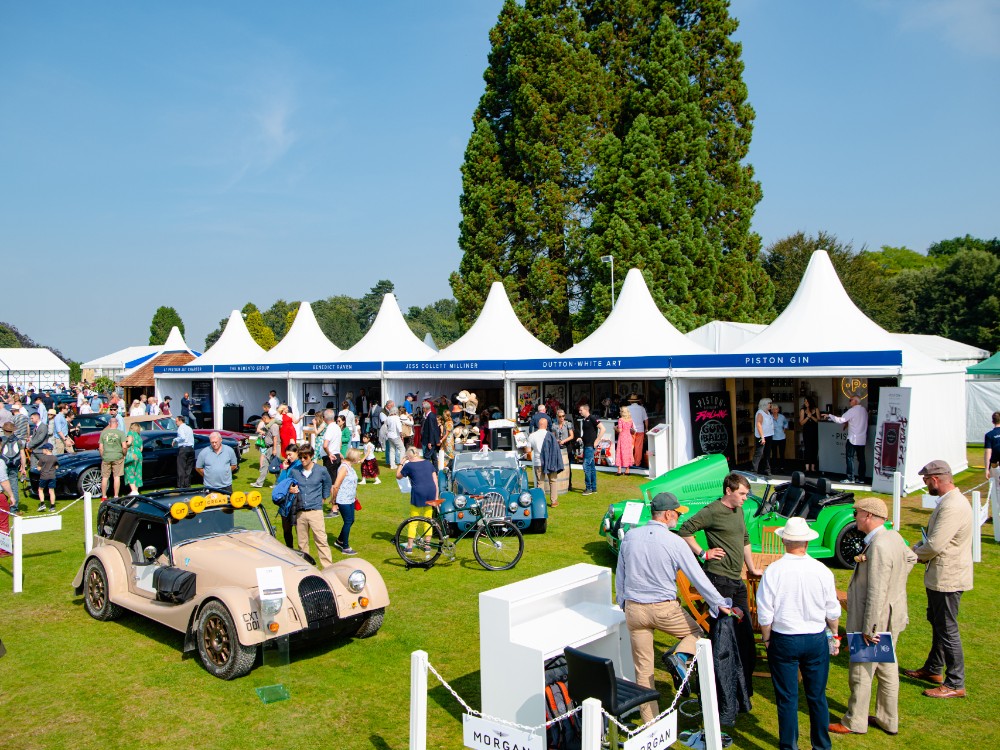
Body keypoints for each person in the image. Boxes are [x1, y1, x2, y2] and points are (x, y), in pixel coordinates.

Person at [616, 492, 734, 724]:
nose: (678, 518)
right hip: (664, 609)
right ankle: (679, 656)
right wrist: (719, 603)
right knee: (697, 634)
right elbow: (697, 576)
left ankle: (650, 722)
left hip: (634, 609)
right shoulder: (675, 541)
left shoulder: (630, 536)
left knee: (643, 669)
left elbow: (621, 573)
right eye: (677, 514)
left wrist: (623, 602)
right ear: (668, 514)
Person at [829, 497, 917, 736]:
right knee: (887, 668)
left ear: (868, 515)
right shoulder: (893, 536)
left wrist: (870, 629)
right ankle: (888, 720)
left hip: (875, 621)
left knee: (861, 670)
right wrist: (896, 582)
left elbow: (877, 591)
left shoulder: (878, 546)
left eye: (857, 513)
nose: (854, 516)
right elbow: (911, 558)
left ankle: (854, 722)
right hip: (893, 615)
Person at [756, 517, 842, 750]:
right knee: (817, 697)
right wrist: (834, 635)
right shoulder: (821, 570)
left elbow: (765, 613)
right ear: (806, 541)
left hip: (785, 638)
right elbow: (832, 609)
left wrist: (766, 639)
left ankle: (789, 746)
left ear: (784, 540)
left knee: (787, 698)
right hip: (814, 638)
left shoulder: (774, 570)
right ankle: (822, 746)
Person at [678, 472, 762, 695]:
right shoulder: (713, 511)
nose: (745, 498)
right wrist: (703, 553)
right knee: (721, 635)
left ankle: (743, 687)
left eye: (746, 494)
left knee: (744, 634)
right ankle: (716, 687)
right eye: (742, 493)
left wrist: (751, 568)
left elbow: (744, 539)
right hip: (718, 580)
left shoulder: (739, 510)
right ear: (728, 491)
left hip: (737, 580)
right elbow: (685, 530)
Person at [902, 460, 973, 699]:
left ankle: (955, 682)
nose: (925, 485)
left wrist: (910, 556)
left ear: (935, 480)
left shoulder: (952, 505)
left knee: (947, 628)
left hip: (948, 577)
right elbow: (931, 539)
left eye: (925, 481)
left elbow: (935, 544)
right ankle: (934, 669)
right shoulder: (949, 502)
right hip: (942, 574)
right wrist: (915, 549)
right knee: (938, 622)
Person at [288, 444, 333, 567]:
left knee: (321, 540)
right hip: (300, 512)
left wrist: (323, 499)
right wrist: (290, 489)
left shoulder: (321, 470)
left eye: (305, 457)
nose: (302, 460)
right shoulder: (295, 471)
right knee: (302, 543)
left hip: (315, 511)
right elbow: (287, 485)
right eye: (300, 457)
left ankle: (328, 567)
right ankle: (306, 568)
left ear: (311, 456)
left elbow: (327, 484)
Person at [398, 446, 439, 553]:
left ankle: (410, 546)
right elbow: (435, 480)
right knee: (428, 519)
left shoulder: (409, 465)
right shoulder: (428, 463)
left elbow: (398, 476)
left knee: (414, 520)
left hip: (418, 493)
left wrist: (401, 463)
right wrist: (436, 496)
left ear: (408, 456)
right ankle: (427, 546)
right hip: (431, 491)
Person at [825, 396, 868, 484]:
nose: (849, 402)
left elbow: (841, 420)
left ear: (855, 401)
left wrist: (829, 415)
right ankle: (861, 478)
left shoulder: (852, 410)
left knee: (850, 458)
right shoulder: (864, 410)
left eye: (850, 400)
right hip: (862, 438)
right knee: (861, 459)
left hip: (852, 438)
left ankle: (850, 478)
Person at [331, 447, 362, 555]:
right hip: (343, 499)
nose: (359, 459)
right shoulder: (344, 468)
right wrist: (334, 500)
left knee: (351, 520)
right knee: (348, 521)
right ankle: (345, 547)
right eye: (358, 457)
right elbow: (336, 485)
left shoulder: (350, 467)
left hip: (350, 499)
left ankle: (340, 540)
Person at [273, 443, 301, 548]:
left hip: (296, 501)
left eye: (290, 454)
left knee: (299, 531)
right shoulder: (288, 465)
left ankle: (302, 552)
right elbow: (280, 483)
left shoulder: (299, 465)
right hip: (285, 502)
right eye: (287, 455)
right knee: (286, 530)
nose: (288, 457)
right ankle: (290, 549)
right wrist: (284, 469)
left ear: (297, 453)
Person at [578, 403, 604, 496]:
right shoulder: (585, 420)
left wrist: (597, 440)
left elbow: (603, 429)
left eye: (581, 410)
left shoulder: (592, 418)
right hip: (586, 445)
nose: (579, 412)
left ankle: (588, 488)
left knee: (586, 466)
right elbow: (588, 433)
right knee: (592, 467)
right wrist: (581, 438)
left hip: (590, 446)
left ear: (586, 410)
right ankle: (594, 488)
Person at [1, 422, 27, 513]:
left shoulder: (2, 440)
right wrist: (23, 468)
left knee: (2, 486)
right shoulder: (19, 441)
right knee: (14, 487)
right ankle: (13, 509)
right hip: (14, 466)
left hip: (3, 465)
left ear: (4, 430)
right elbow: (22, 455)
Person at [98, 417, 126, 501]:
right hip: (117, 456)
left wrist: (103, 456)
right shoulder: (120, 433)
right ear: (117, 424)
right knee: (116, 477)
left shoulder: (103, 433)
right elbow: (124, 446)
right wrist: (124, 454)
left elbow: (100, 448)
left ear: (109, 424)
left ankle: (104, 496)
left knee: (105, 477)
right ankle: (116, 495)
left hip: (106, 456)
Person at [251, 412, 280, 488]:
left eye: (262, 419)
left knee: (275, 466)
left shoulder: (274, 426)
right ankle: (259, 483)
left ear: (264, 418)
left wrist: (274, 449)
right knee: (265, 465)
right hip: (268, 448)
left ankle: (278, 483)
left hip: (273, 447)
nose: (262, 420)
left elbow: (275, 437)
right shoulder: (269, 426)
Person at [752, 397, 773, 476]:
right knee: (759, 453)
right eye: (769, 403)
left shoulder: (768, 412)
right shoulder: (760, 412)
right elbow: (759, 424)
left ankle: (767, 469)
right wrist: (762, 437)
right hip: (762, 436)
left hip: (769, 435)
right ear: (764, 404)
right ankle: (754, 470)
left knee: (767, 453)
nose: (770, 405)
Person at [983, 411, 1000, 507]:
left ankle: (997, 514)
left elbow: (988, 452)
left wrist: (986, 469)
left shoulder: (989, 435)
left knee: (996, 488)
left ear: (993, 421)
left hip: (996, 465)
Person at [172, 415, 195, 488]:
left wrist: (175, 440)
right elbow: (192, 439)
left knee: (181, 468)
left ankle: (181, 486)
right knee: (188, 469)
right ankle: (187, 485)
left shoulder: (180, 428)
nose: (176, 423)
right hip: (191, 449)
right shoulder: (189, 428)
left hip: (183, 448)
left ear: (180, 421)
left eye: (176, 421)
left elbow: (182, 437)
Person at [799, 396, 821, 473]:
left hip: (815, 431)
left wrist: (811, 416)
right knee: (807, 448)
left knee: (814, 448)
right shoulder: (802, 410)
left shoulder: (816, 409)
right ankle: (807, 467)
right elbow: (801, 423)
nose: (805, 403)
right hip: (807, 431)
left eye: (807, 401)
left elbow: (818, 421)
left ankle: (813, 467)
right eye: (804, 401)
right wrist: (807, 417)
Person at [35, 443, 58, 512]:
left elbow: (39, 468)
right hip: (52, 476)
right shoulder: (55, 458)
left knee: (40, 489)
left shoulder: (42, 458)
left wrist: (38, 465)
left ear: (46, 450)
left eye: (43, 449)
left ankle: (42, 504)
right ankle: (52, 506)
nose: (42, 451)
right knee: (51, 491)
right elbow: (56, 467)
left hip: (44, 476)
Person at [123, 422, 144, 495]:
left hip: (132, 453)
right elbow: (141, 448)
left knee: (129, 471)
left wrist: (124, 444)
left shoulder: (130, 433)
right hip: (139, 454)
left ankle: (133, 490)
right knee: (137, 472)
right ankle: (136, 490)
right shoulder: (139, 436)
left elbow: (129, 442)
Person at [628, 394, 649, 468]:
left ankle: (630, 461)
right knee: (639, 447)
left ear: (630, 401)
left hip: (630, 429)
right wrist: (646, 428)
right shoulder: (642, 408)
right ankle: (637, 463)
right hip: (640, 429)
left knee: (630, 446)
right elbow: (646, 419)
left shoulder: (627, 408)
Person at [615, 406, 635, 476]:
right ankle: (627, 470)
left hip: (622, 437)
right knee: (628, 452)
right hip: (628, 437)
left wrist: (615, 428)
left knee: (620, 452)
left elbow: (620, 430)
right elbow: (632, 429)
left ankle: (619, 470)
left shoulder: (620, 419)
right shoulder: (630, 420)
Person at [769, 403, 788, 474]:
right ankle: (774, 467)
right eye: (773, 409)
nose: (774, 411)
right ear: (771, 410)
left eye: (776, 409)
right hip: (773, 438)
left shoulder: (782, 417)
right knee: (774, 454)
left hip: (782, 437)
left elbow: (786, 423)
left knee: (782, 453)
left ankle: (782, 467)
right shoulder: (769, 417)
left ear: (778, 410)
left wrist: (785, 429)